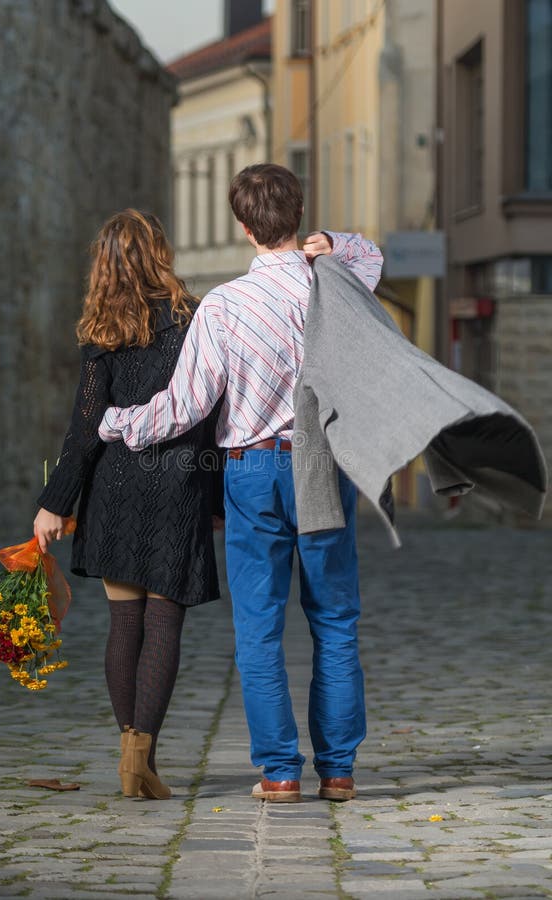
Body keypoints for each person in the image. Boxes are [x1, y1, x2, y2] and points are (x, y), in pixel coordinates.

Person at [98, 165, 384, 802]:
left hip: (252, 468)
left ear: (243, 226)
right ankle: (337, 770)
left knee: (258, 626)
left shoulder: (225, 306)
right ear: (298, 216)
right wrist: (332, 243)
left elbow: (186, 404)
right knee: (335, 618)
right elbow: (372, 253)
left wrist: (120, 424)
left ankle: (280, 772)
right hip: (325, 463)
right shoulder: (337, 283)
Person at [34, 209, 221, 800]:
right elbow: (211, 413)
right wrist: (215, 499)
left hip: (114, 488)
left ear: (105, 267)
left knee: (124, 627)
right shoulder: (192, 318)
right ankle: (144, 761)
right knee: (163, 625)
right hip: (176, 486)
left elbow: (84, 430)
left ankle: (128, 758)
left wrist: (54, 503)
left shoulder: (101, 330)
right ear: (159, 254)